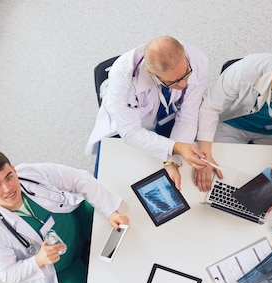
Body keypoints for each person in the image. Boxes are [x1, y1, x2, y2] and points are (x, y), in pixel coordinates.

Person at [0, 150, 129, 283]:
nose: (7, 188)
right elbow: (6, 273)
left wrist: (111, 211)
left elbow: (78, 178)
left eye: (9, 176)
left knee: (129, 226)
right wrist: (38, 260)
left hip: (80, 223)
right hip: (63, 270)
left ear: (14, 170)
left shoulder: (31, 174)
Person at [86, 36, 209, 189]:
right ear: (151, 73)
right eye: (173, 82)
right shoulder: (124, 76)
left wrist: (172, 161)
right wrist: (176, 147)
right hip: (128, 124)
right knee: (120, 182)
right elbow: (130, 132)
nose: (184, 84)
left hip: (167, 116)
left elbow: (188, 116)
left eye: (186, 74)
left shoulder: (197, 60)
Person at [195, 53, 272, 191]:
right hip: (234, 124)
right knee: (219, 172)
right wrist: (205, 157)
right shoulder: (243, 72)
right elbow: (210, 107)